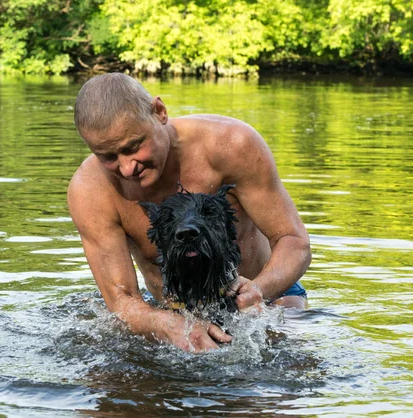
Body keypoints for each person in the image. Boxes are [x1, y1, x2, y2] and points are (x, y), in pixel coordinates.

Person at [67, 73, 311, 352]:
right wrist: (169, 324)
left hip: (268, 295)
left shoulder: (230, 145)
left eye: (133, 147)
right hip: (175, 308)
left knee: (287, 362)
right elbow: (122, 302)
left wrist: (260, 290)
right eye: (107, 157)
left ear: (159, 112)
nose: (126, 169)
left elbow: (293, 241)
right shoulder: (90, 191)